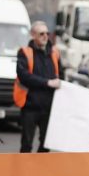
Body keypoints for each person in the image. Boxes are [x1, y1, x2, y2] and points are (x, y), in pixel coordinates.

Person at [14, 21, 62, 153]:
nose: (45, 36)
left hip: (49, 107)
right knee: (26, 144)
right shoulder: (24, 52)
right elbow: (24, 76)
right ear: (33, 35)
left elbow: (60, 77)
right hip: (30, 106)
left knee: (46, 144)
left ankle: (41, 172)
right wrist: (47, 82)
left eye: (47, 33)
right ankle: (23, 172)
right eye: (41, 34)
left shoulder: (55, 53)